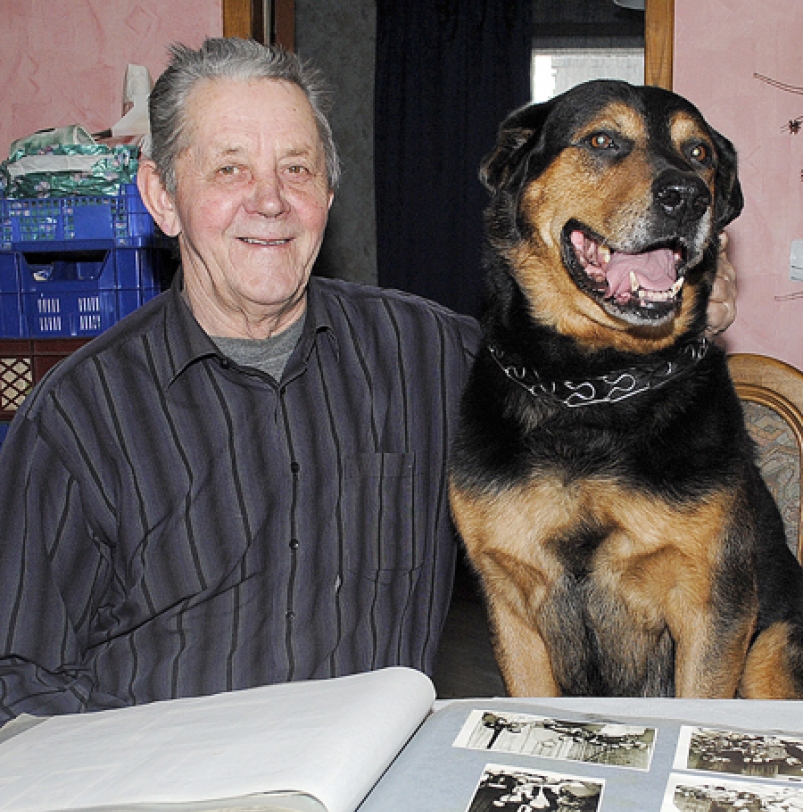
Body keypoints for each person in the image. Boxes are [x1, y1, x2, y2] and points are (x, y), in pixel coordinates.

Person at [0, 39, 738, 722]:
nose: (269, 200)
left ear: (328, 193)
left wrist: (680, 299)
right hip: (167, 810)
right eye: (229, 169)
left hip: (365, 794)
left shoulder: (429, 355)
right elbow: (19, 675)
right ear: (161, 196)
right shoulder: (76, 419)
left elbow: (579, 374)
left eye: (297, 168)